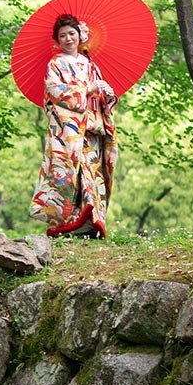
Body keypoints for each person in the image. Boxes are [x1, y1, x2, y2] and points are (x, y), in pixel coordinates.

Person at [29, 13, 118, 238]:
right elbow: (54, 93)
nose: (68, 38)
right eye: (62, 36)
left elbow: (98, 97)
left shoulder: (90, 64)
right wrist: (86, 89)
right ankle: (69, 220)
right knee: (70, 173)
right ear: (57, 42)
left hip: (92, 127)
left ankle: (92, 219)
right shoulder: (55, 64)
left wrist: (106, 95)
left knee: (92, 171)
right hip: (68, 131)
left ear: (80, 36)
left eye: (72, 33)